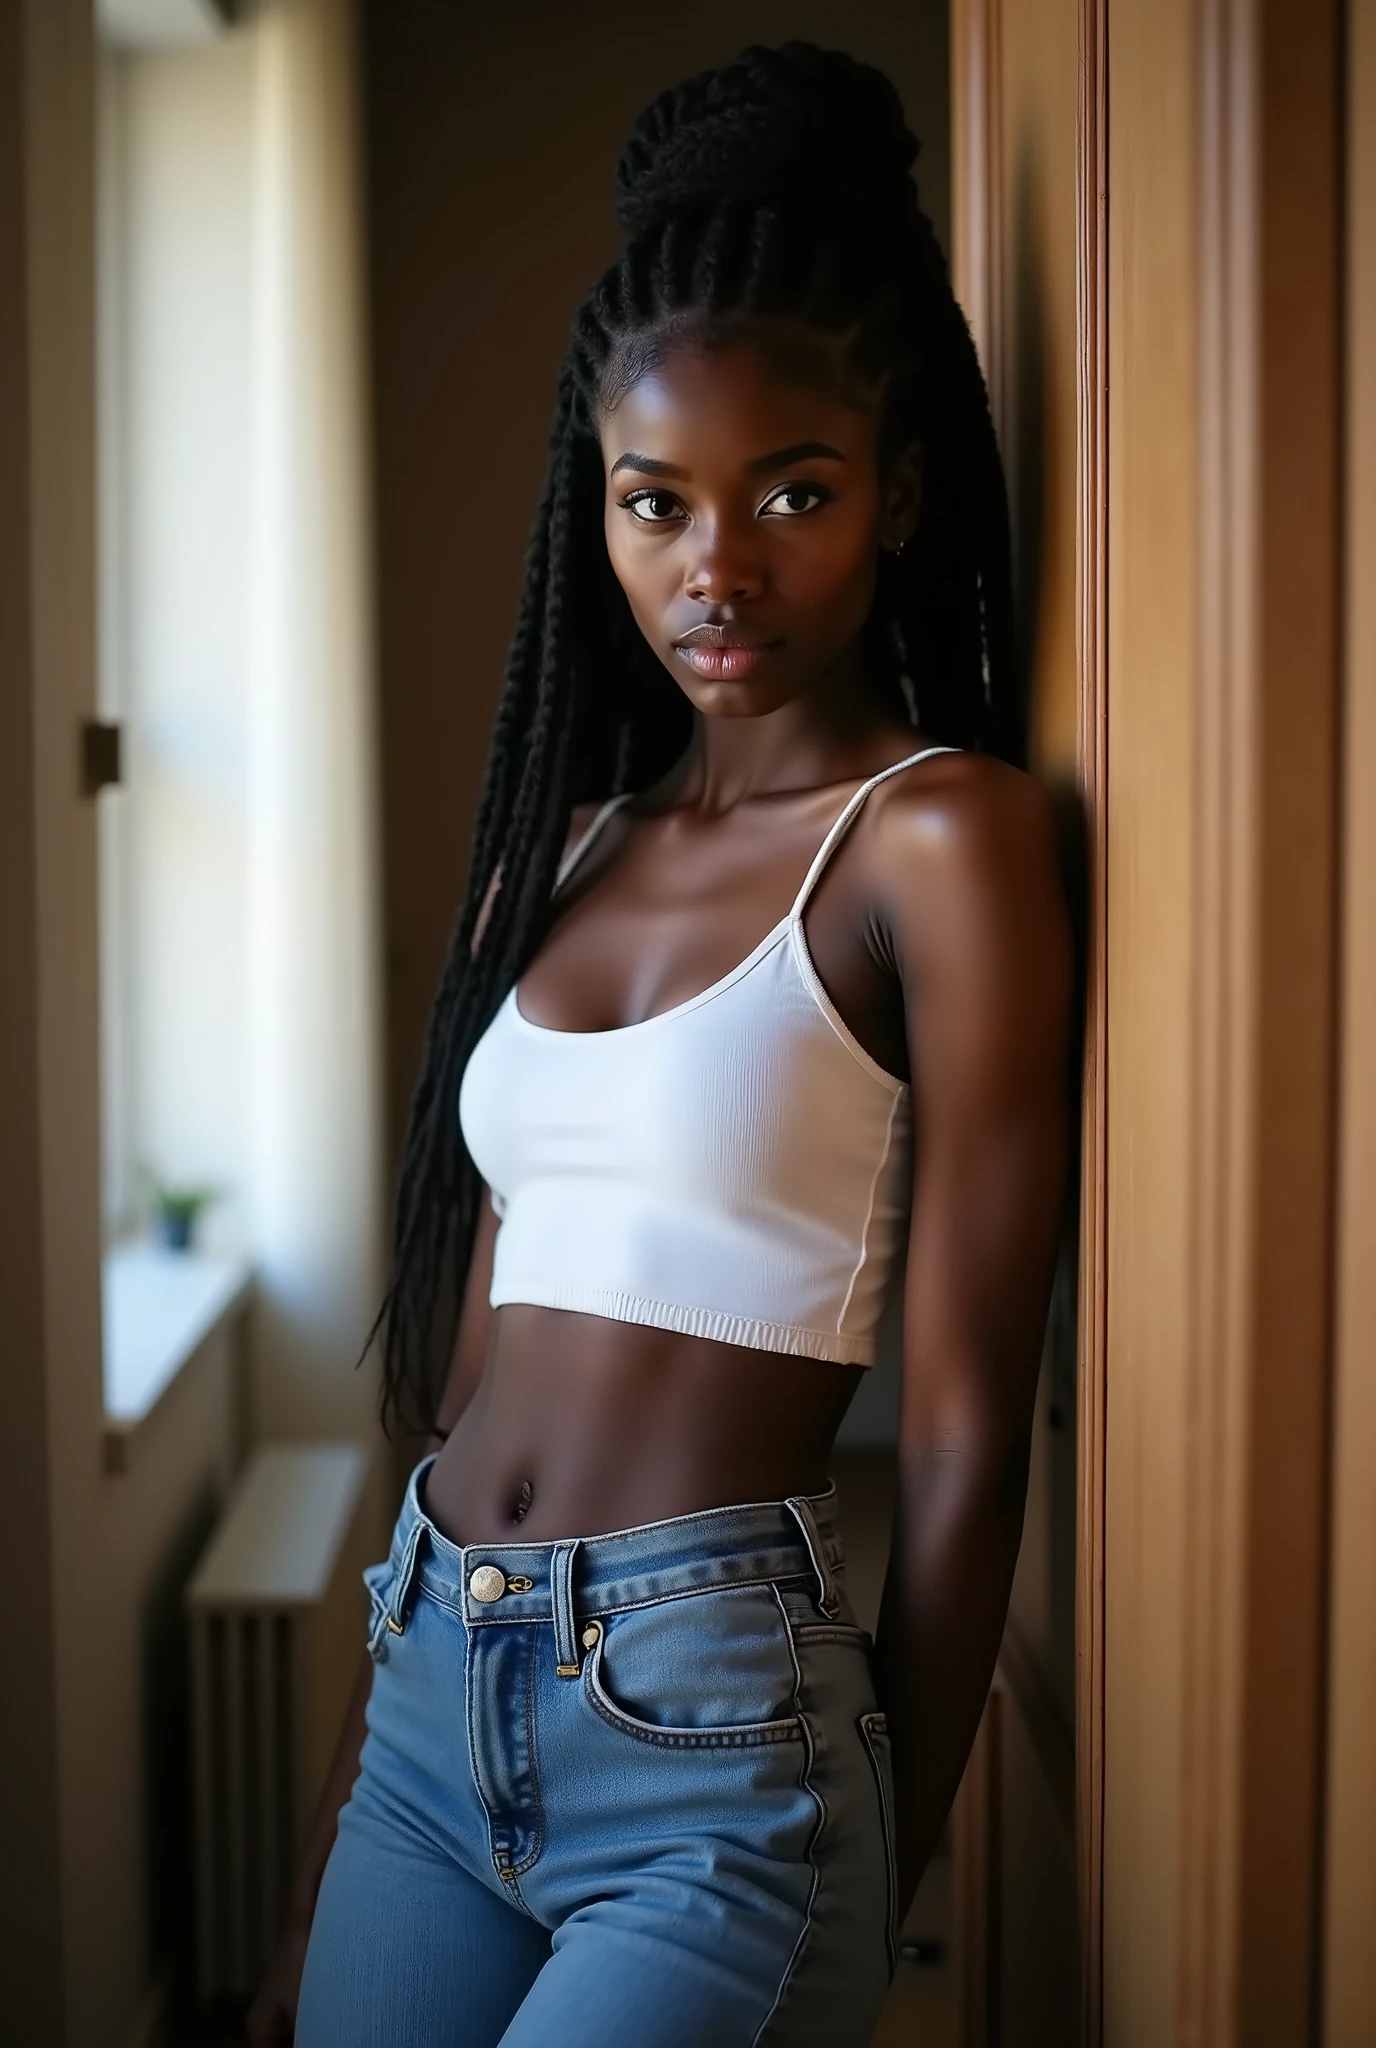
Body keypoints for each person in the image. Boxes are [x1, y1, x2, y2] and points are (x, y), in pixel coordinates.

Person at [251, 41, 1072, 2048]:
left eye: (791, 492)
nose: (716, 565)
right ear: (596, 513)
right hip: (434, 1681)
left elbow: (967, 1432)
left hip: (717, 1738)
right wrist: (335, 1823)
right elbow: (476, 1324)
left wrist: (896, 1848)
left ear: (892, 499)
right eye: (655, 502)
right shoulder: (561, 841)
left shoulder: (937, 840)